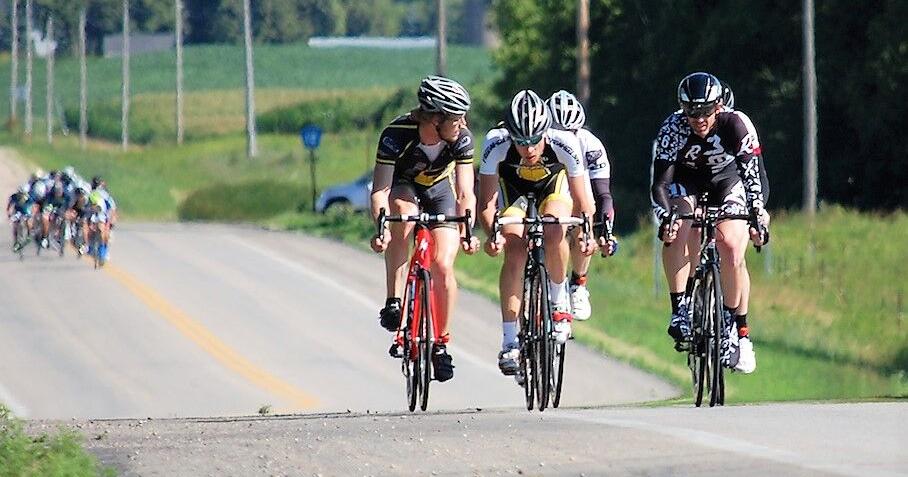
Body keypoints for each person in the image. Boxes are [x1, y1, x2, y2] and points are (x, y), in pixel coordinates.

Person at [650, 72, 769, 374]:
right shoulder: (673, 128)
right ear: (683, 109)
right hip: (686, 182)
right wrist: (667, 216)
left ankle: (731, 326)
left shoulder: (735, 124)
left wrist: (757, 215)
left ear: (718, 106)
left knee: (730, 245)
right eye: (692, 112)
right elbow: (660, 184)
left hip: (727, 180)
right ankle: (680, 309)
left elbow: (753, 175)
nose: (699, 119)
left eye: (705, 112)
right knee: (679, 227)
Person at [477, 89, 596, 377]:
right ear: (510, 135)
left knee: (556, 228)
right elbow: (486, 202)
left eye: (534, 141)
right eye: (520, 142)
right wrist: (493, 234)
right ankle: (509, 341)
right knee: (515, 250)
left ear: (547, 131)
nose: (528, 149)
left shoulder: (564, 142)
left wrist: (586, 232)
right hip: (514, 192)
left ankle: (558, 301)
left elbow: (583, 200)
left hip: (551, 189)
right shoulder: (495, 143)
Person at [369, 75, 480, 383]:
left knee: (443, 264)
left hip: (439, 191)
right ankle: (394, 299)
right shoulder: (395, 134)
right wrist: (382, 228)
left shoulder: (462, 138)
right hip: (404, 187)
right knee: (403, 215)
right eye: (456, 117)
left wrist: (468, 229)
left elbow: (465, 192)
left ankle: (442, 344)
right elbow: (380, 190)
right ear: (435, 118)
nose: (463, 122)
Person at [546, 90, 618, 321]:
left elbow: (603, 193)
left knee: (583, 225)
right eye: (558, 132)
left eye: (571, 132)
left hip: (578, 194)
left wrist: (605, 231)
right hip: (546, 193)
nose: (565, 138)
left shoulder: (591, 145)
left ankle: (578, 283)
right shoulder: (538, 144)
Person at [7, 183, 34, 250]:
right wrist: (9, 214)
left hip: (26, 212)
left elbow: (32, 207)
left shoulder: (29, 198)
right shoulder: (14, 197)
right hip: (17, 212)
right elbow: (9, 206)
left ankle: (29, 234)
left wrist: (30, 214)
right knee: (15, 226)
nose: (21, 195)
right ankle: (16, 241)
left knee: (28, 222)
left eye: (23, 193)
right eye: (20, 193)